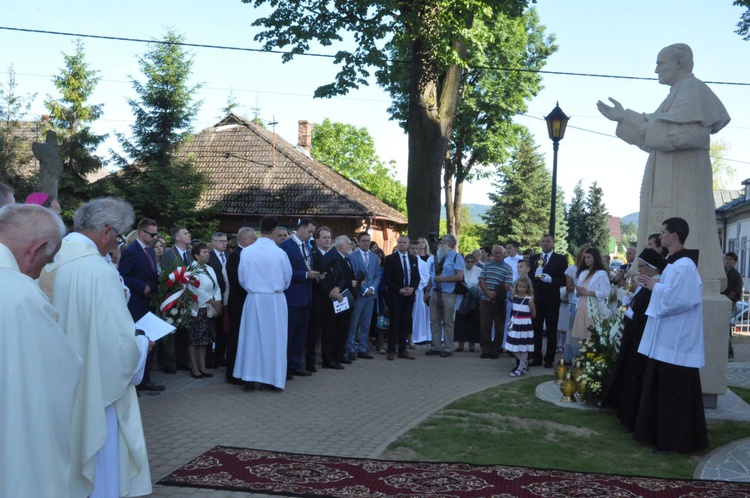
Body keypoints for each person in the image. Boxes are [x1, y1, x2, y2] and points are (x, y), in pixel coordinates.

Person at [38, 197, 152, 497]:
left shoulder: (47, 260)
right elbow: (117, 341)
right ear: (106, 230)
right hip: (96, 386)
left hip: (53, 380)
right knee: (100, 450)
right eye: (116, 236)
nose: (115, 243)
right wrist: (143, 343)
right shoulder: (97, 271)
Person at [597, 44, 730, 293]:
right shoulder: (676, 94)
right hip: (668, 172)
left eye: (660, 63)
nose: (656, 69)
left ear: (679, 62)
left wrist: (647, 127)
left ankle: (694, 278)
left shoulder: (693, 90)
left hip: (685, 177)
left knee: (689, 225)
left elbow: (690, 134)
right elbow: (654, 132)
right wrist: (624, 117)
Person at [0, 203, 82, 497]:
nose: (40, 272)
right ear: (37, 249)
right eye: (47, 261)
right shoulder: (21, 295)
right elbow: (57, 375)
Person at [635, 217, 708, 453]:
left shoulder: (685, 265)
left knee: (675, 394)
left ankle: (675, 440)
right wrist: (656, 285)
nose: (661, 236)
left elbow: (681, 300)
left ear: (674, 235)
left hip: (677, 342)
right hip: (668, 339)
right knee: (665, 391)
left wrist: (655, 287)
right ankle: (661, 436)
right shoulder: (674, 263)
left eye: (664, 232)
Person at [601, 248, 665, 431]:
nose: (640, 270)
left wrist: (631, 313)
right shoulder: (648, 284)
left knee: (635, 375)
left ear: (653, 268)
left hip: (640, 337)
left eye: (643, 267)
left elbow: (649, 316)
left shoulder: (656, 286)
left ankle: (632, 416)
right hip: (633, 335)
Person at [234, 217, 292, 391]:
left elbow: (241, 279)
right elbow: (287, 278)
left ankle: (250, 379)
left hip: (253, 299)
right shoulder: (280, 253)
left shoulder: (247, 252)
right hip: (274, 301)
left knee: (251, 339)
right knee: (274, 341)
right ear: (274, 231)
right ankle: (273, 380)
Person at [118, 217, 165, 388]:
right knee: (139, 339)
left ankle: (145, 378)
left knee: (150, 338)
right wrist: (141, 286)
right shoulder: (131, 251)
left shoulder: (150, 251)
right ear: (141, 233)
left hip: (150, 301)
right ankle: (135, 380)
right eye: (151, 234)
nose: (154, 237)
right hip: (137, 303)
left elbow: (152, 274)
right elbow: (122, 276)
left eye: (156, 233)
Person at [280, 218, 320, 377]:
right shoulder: (286, 246)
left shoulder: (307, 247)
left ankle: (296, 364)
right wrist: (305, 274)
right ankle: (285, 367)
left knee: (300, 335)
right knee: (289, 334)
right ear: (301, 229)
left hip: (306, 297)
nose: (311, 235)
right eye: (310, 231)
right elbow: (284, 272)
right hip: (292, 297)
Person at [319, 235, 359, 368]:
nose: (351, 246)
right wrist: (334, 291)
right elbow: (324, 278)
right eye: (348, 244)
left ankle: (339, 355)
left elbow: (342, 277)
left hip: (343, 299)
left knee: (342, 329)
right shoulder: (333, 257)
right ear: (341, 246)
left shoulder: (344, 258)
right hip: (332, 300)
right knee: (331, 330)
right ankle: (329, 358)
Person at [528, 234, 568, 368]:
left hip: (552, 300)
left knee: (551, 330)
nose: (545, 243)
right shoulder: (534, 259)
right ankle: (536, 357)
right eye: (543, 241)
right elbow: (528, 277)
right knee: (536, 330)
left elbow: (564, 280)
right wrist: (534, 277)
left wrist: (551, 280)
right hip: (537, 300)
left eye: (548, 241)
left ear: (553, 243)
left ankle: (549, 359)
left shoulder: (560, 259)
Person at [225, 227, 257, 385]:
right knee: (235, 338)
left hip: (247, 303)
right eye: (253, 239)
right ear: (244, 240)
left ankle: (243, 370)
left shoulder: (246, 255)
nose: (255, 242)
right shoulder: (235, 256)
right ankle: (232, 374)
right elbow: (237, 282)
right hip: (239, 304)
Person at [186, 242, 222, 379]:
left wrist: (218, 301)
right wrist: (212, 302)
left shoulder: (209, 268)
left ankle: (203, 365)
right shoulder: (192, 269)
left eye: (208, 252)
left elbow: (216, 286)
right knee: (195, 339)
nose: (207, 255)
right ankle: (194, 367)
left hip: (210, 308)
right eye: (204, 252)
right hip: (198, 308)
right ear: (196, 255)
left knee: (205, 339)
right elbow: (196, 289)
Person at [424, 234, 465, 357]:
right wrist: (427, 291)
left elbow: (459, 276)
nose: (441, 244)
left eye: (444, 242)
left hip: (448, 293)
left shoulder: (456, 257)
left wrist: (444, 279)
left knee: (448, 322)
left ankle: (448, 347)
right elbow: (433, 276)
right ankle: (435, 346)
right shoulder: (437, 256)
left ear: (451, 244)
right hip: (435, 292)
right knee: (434, 321)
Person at [161, 226, 195, 372]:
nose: (189, 235)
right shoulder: (169, 254)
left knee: (184, 330)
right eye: (185, 233)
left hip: (187, 295)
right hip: (173, 296)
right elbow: (166, 275)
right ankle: (169, 361)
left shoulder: (189, 253)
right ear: (177, 238)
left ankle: (182, 359)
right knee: (171, 329)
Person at [383, 235, 420, 360]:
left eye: (404, 242)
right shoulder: (390, 259)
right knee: (394, 322)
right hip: (396, 295)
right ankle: (391, 349)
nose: (402, 244)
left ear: (409, 244)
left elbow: (417, 277)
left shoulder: (413, 259)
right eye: (400, 242)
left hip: (409, 296)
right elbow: (387, 278)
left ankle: (403, 350)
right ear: (397, 244)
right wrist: (398, 289)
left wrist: (413, 288)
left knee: (405, 322)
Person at [347, 231, 380, 360]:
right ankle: (350, 348)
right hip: (359, 294)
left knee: (366, 323)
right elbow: (353, 275)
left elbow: (378, 274)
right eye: (364, 240)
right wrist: (364, 289)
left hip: (371, 295)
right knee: (354, 323)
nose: (367, 243)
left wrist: (372, 288)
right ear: (358, 242)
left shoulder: (374, 257)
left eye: (368, 240)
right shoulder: (353, 257)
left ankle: (362, 348)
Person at [477, 245, 513, 359]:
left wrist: (494, 294)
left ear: (504, 254)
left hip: (500, 302)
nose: (498, 255)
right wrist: (488, 292)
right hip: (485, 300)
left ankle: (496, 350)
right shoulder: (486, 266)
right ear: (492, 254)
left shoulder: (508, 268)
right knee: (485, 326)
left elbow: (507, 284)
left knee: (499, 327)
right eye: (495, 253)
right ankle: (485, 350)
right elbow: (481, 280)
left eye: (500, 253)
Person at [305, 225, 333, 371]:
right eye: (324, 237)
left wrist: (337, 289)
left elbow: (338, 275)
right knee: (313, 333)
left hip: (331, 300)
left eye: (329, 237)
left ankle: (327, 359)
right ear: (316, 240)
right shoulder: (313, 256)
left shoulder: (333, 255)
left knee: (328, 332)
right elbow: (316, 278)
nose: (328, 240)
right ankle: (309, 362)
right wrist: (329, 291)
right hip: (317, 300)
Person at [206, 232, 229, 368]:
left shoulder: (228, 256)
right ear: (213, 242)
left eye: (225, 241)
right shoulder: (209, 257)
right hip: (212, 298)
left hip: (225, 297)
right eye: (220, 241)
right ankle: (210, 359)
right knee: (211, 330)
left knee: (223, 329)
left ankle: (220, 356)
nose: (224, 243)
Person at [506, 276, 536, 377]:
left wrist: (524, 319)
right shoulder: (513, 297)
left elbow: (533, 313)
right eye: (519, 286)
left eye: (524, 287)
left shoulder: (529, 299)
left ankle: (520, 368)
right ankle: (523, 364)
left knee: (523, 347)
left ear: (527, 288)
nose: (521, 289)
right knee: (512, 347)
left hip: (524, 324)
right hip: (515, 323)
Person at [455, 253, 481, 352]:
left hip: (473, 299)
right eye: (468, 261)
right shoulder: (460, 270)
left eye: (472, 262)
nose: (469, 264)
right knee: (461, 322)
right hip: (462, 298)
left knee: (473, 323)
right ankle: (460, 344)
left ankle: (472, 344)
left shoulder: (479, 270)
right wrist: (464, 291)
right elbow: (458, 283)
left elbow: (480, 284)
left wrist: (473, 292)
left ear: (475, 262)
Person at [410, 237, 432, 345]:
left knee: (417, 314)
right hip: (405, 291)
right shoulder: (406, 260)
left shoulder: (422, 264)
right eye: (412, 248)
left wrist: (414, 286)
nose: (414, 251)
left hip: (417, 292)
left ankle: (417, 336)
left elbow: (425, 277)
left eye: (416, 249)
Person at [722, 251, 743, 359]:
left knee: (724, 325)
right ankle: (726, 349)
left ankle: (729, 350)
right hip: (724, 302)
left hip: (730, 303)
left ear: (735, 262)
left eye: (730, 259)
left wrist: (725, 301)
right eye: (726, 259)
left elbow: (734, 291)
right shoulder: (724, 273)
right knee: (724, 326)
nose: (728, 261)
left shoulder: (735, 275)